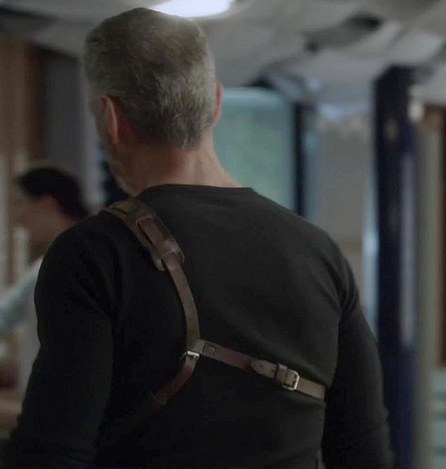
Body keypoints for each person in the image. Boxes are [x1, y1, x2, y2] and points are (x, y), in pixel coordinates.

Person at [4, 8, 392, 468]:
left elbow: (53, 452)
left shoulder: (94, 253)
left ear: (110, 116)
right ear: (217, 103)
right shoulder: (318, 252)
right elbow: (364, 453)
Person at [0, 167, 89, 428]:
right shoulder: (52, 262)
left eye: (21, 204)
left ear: (47, 203)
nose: (18, 219)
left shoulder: (66, 261)